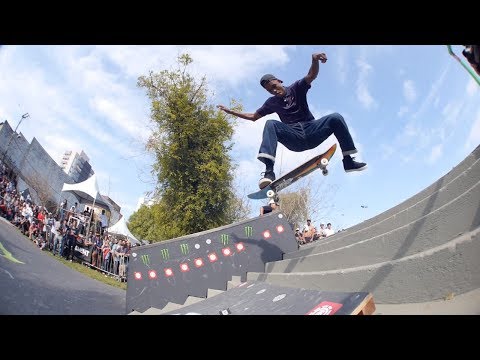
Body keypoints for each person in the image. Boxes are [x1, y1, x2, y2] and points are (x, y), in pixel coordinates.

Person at [217, 52, 367, 189]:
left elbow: (311, 75)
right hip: (293, 137)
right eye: (270, 90)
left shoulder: (297, 88)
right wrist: (230, 111)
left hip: (312, 130)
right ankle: (269, 172)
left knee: (335, 117)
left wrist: (314, 60)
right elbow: (254, 117)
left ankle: (348, 161)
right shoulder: (271, 102)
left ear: (279, 81)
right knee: (271, 124)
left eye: (275, 86)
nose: (274, 91)